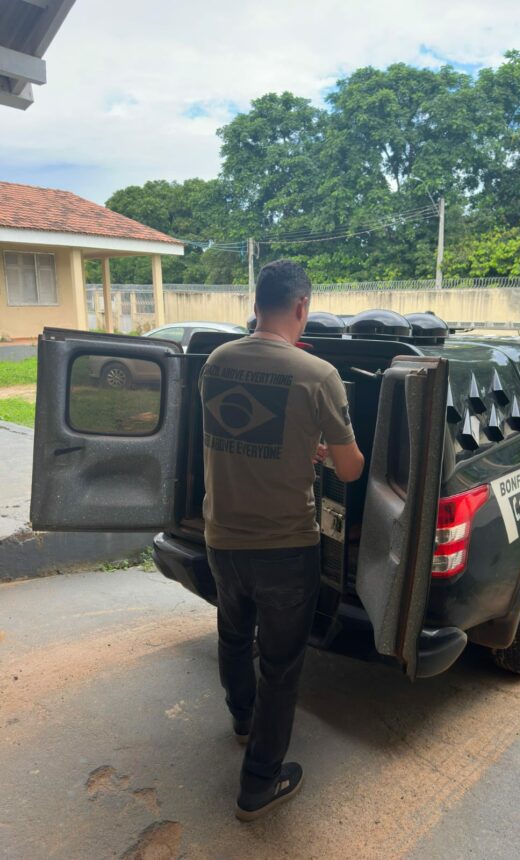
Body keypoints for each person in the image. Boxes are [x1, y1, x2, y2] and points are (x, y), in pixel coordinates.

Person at [200, 259, 364, 821]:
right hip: (285, 548)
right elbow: (348, 470)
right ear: (301, 307)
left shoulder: (216, 362)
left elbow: (237, 436)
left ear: (256, 302)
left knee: (231, 633)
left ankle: (242, 719)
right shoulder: (318, 375)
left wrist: (302, 445)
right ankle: (259, 784)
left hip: (222, 537)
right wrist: (326, 446)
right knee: (281, 664)